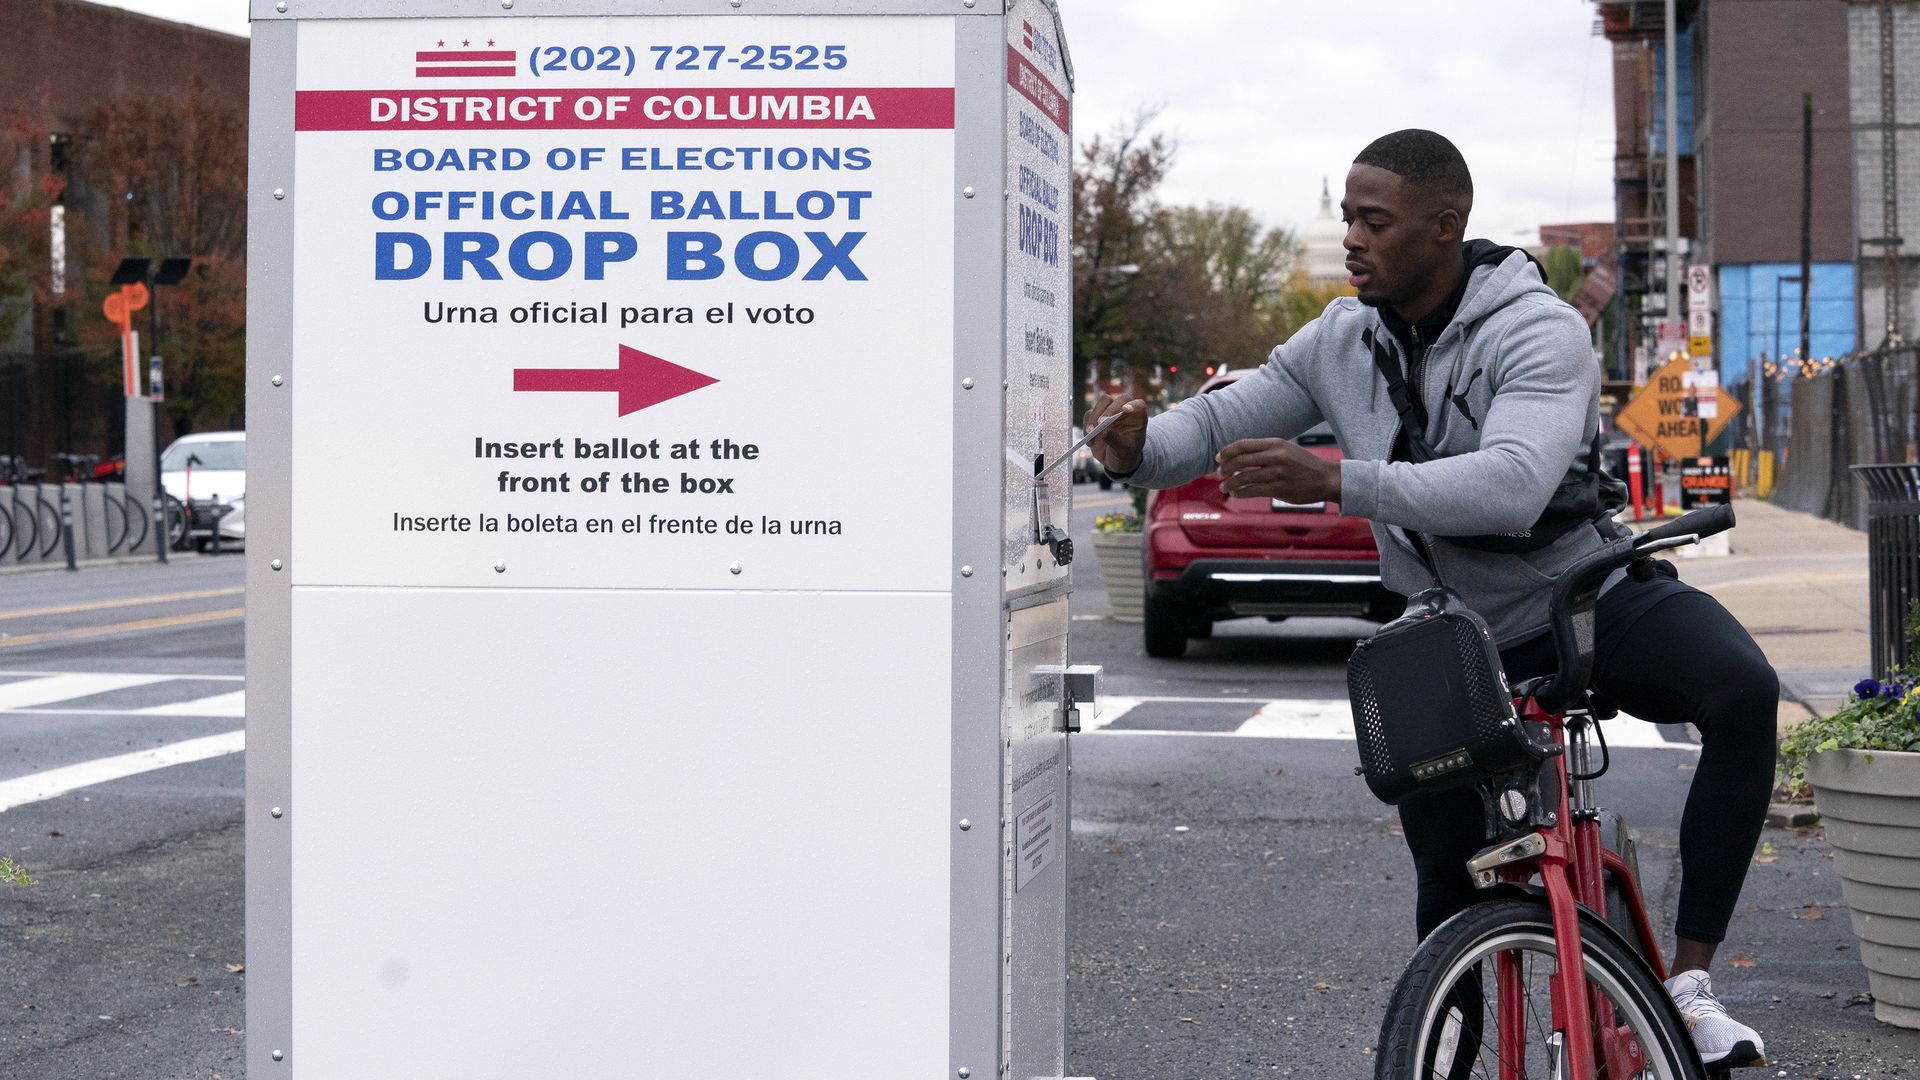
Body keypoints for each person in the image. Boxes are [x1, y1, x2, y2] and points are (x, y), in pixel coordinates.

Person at [1083, 129, 1777, 1069]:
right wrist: (1131, 446)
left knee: (1740, 690)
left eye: (1376, 221)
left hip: (1578, 597)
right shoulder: (1339, 337)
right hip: (1448, 641)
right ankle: (1440, 1047)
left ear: (1445, 227)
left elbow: (1513, 485)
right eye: (1347, 220)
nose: (1353, 240)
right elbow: (1211, 421)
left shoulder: (1538, 328)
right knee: (1443, 899)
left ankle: (1689, 986)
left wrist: (1339, 482)